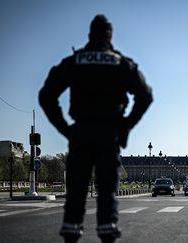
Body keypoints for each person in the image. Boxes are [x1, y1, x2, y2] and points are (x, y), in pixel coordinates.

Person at [39, 14, 153, 243]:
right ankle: (107, 230)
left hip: (80, 131)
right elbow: (146, 95)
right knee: (107, 189)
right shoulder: (120, 63)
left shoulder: (75, 60)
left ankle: (71, 231)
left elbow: (46, 95)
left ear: (90, 35)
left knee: (77, 189)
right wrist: (127, 125)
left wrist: (65, 128)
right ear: (110, 37)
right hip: (109, 132)